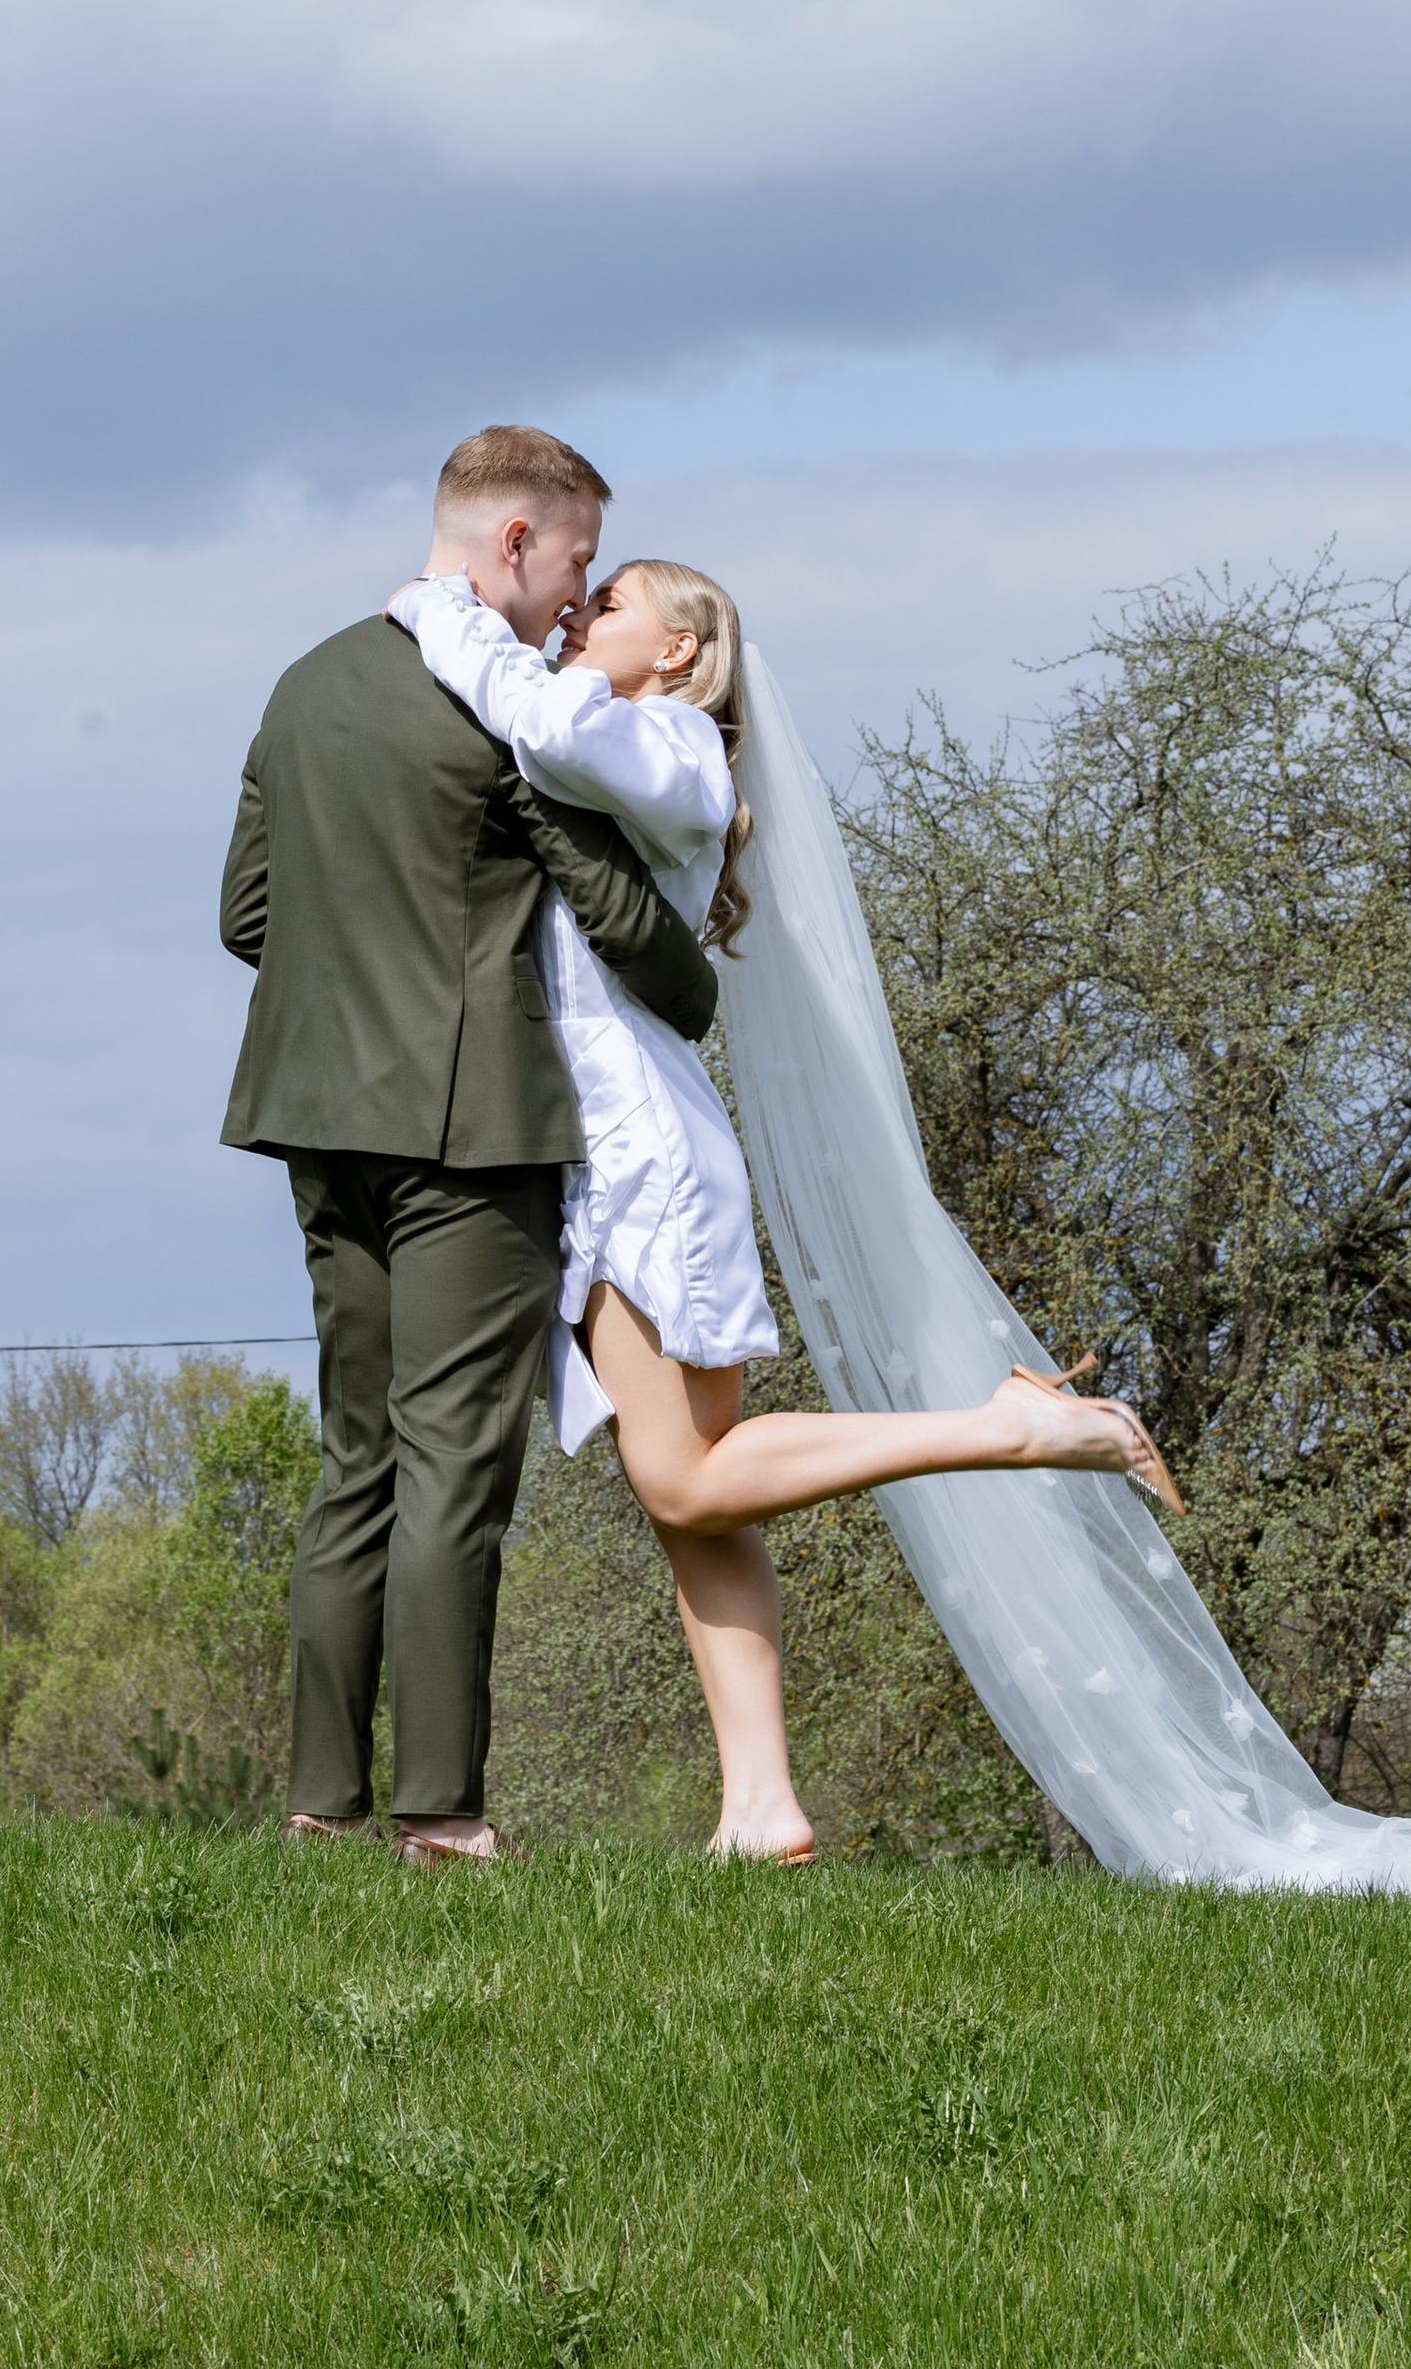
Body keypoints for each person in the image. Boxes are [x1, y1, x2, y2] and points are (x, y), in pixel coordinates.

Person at [387, 552, 1165, 1863]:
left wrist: (438, 608)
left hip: (633, 1148)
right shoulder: (641, 744)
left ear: (684, 653)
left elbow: (542, 719)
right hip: (611, 1141)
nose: (582, 618)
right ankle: (762, 1807)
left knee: (686, 1484)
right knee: (702, 1502)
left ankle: (1011, 1428)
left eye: (613, 605)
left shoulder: (673, 744)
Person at [218, 425, 720, 1864]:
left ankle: (322, 1805)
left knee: (356, 1454)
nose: (574, 605)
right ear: (512, 539)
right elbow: (635, 935)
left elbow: (248, 917)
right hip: (471, 1126)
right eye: (571, 564)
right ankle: (442, 1815)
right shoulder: (505, 705)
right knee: (456, 1467)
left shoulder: (305, 683)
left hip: (315, 1116)